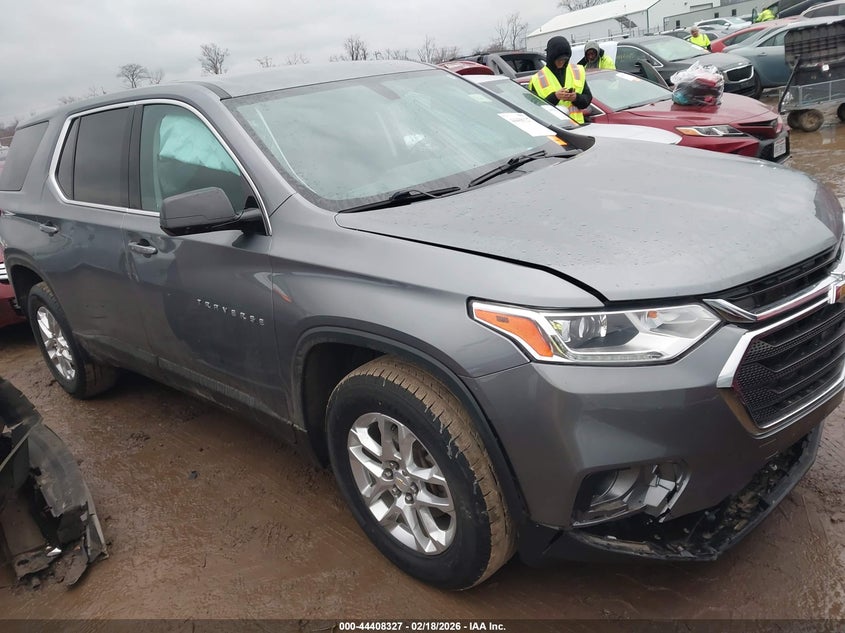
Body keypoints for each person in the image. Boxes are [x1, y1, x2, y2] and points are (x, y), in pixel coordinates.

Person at [528, 36, 593, 124]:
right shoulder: (537, 79)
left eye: (565, 59)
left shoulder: (577, 71)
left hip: (577, 127)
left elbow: (587, 99)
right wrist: (555, 97)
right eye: (559, 59)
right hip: (554, 128)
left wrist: (576, 98)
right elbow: (535, 110)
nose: (562, 62)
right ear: (551, 58)